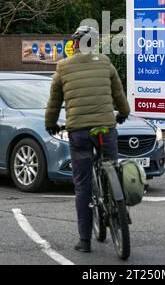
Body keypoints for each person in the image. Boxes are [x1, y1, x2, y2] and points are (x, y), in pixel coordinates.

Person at [45, 25, 130, 253]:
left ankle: (84, 241)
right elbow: (118, 93)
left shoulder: (63, 67)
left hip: (80, 132)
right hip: (106, 128)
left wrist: (50, 124)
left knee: (82, 185)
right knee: (112, 164)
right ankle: (120, 207)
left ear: (75, 44)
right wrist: (123, 113)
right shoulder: (105, 62)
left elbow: (54, 101)